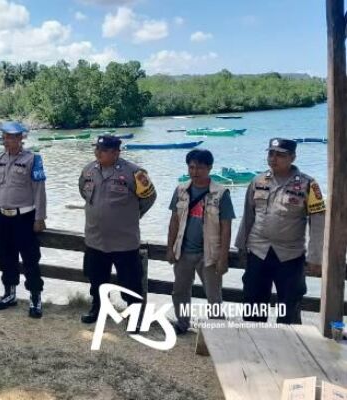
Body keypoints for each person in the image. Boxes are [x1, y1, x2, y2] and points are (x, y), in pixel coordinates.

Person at [235, 138, 325, 324]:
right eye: (271, 153)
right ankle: (254, 347)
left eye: (280, 155)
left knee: (289, 307)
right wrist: (241, 246)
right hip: (258, 252)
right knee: (253, 304)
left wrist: (316, 258)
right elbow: (248, 216)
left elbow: (318, 223)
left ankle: (289, 349)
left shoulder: (309, 185)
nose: (273, 158)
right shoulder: (258, 181)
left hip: (290, 256)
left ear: (292, 157)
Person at [78, 135, 156, 324]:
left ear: (116, 152)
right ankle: (98, 309)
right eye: (97, 149)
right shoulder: (88, 170)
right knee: (96, 280)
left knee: (130, 283)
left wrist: (130, 218)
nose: (97, 152)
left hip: (124, 241)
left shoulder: (134, 173)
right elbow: (83, 191)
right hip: (95, 239)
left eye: (102, 150)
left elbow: (150, 197)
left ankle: (136, 318)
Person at [166, 149, 234, 334]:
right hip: (184, 251)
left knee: (213, 295)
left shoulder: (220, 193)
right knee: (179, 291)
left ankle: (218, 330)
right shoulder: (181, 190)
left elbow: (226, 227)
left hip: (209, 254)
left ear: (210, 168)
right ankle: (182, 324)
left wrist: (223, 258)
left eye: (200, 168)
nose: (195, 171)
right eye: (192, 167)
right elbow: (174, 220)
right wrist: (170, 248)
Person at [0, 121, 47, 318]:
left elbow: (40, 191)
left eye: (14, 137)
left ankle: (35, 298)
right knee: (5, 257)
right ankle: (9, 294)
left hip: (25, 217)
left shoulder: (33, 159)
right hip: (3, 217)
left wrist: (40, 217)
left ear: (21, 138)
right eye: (6, 136)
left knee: (30, 259)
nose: (9, 140)